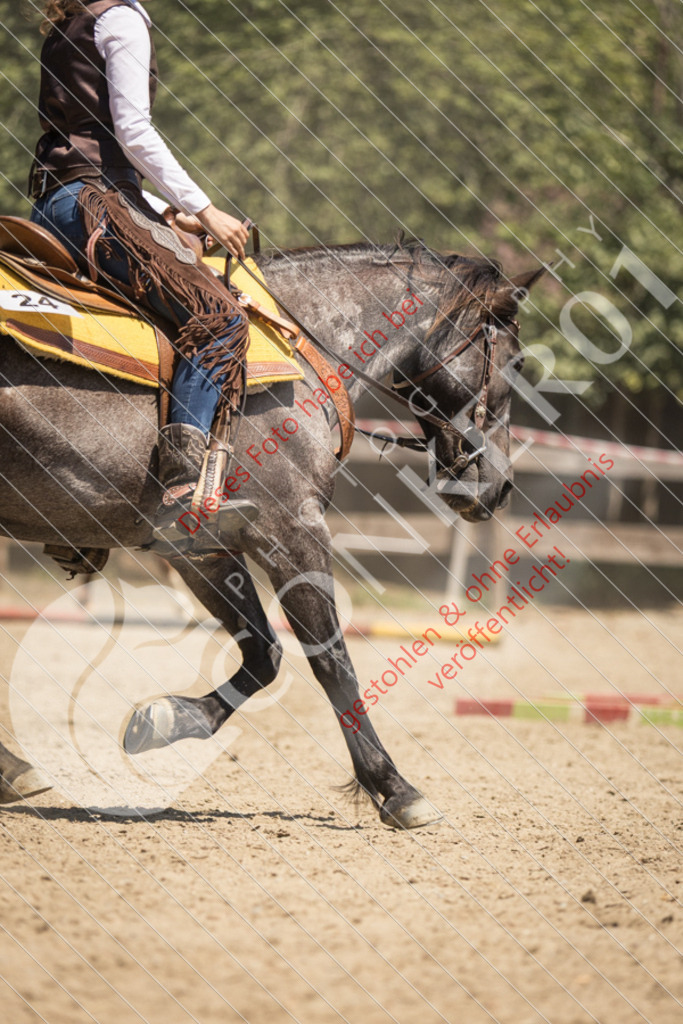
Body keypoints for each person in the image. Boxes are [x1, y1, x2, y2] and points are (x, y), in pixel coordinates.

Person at [29, 0, 258, 548]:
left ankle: (80, 517)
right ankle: (182, 491)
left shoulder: (70, 21)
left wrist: (161, 209)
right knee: (220, 318)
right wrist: (205, 209)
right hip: (92, 205)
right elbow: (132, 131)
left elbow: (95, 146)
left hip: (55, 202)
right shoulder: (123, 18)